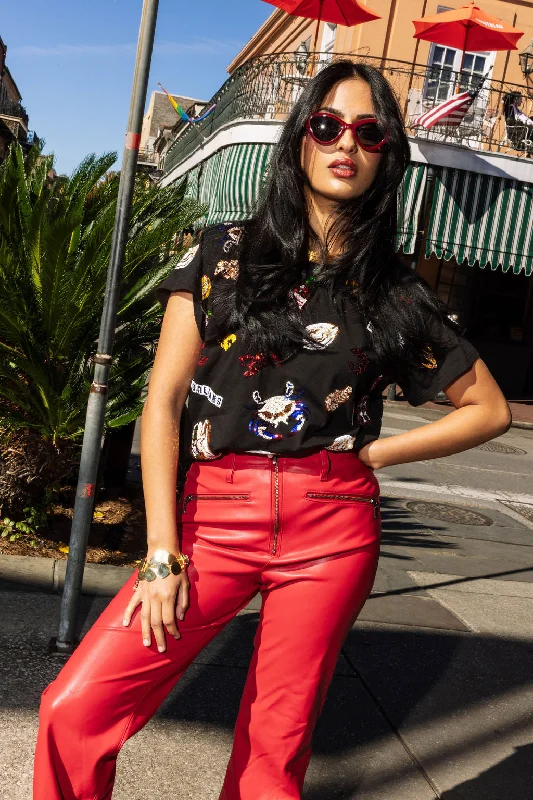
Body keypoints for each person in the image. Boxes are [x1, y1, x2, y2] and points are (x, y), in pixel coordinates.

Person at [33, 59, 511, 799]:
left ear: (386, 155)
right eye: (325, 126)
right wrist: (162, 553)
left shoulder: (393, 290)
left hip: (332, 534)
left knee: (269, 761)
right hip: (210, 523)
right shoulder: (223, 253)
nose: (343, 143)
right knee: (75, 709)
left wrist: (374, 452)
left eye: (367, 131)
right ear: (298, 141)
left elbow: (488, 409)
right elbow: (161, 403)